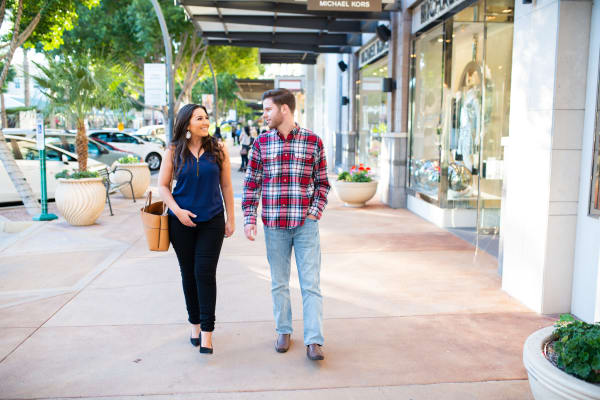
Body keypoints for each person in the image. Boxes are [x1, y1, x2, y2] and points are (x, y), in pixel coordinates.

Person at [242, 88, 330, 361]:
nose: (264, 115)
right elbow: (252, 183)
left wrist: (315, 211)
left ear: (284, 109)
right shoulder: (260, 144)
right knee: (279, 283)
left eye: (268, 109)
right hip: (274, 225)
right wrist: (249, 218)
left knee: (310, 284)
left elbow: (323, 183)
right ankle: (284, 330)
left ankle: (314, 340)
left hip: (305, 224)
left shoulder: (313, 141)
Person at [158, 104, 235, 355]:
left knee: (205, 273)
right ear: (187, 123)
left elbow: (226, 186)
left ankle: (208, 333)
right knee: (188, 274)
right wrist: (177, 211)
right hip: (180, 222)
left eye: (206, 117)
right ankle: (194, 325)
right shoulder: (173, 151)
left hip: (212, 220)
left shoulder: (219, 149)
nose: (205, 121)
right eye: (199, 118)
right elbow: (163, 186)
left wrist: (231, 218)